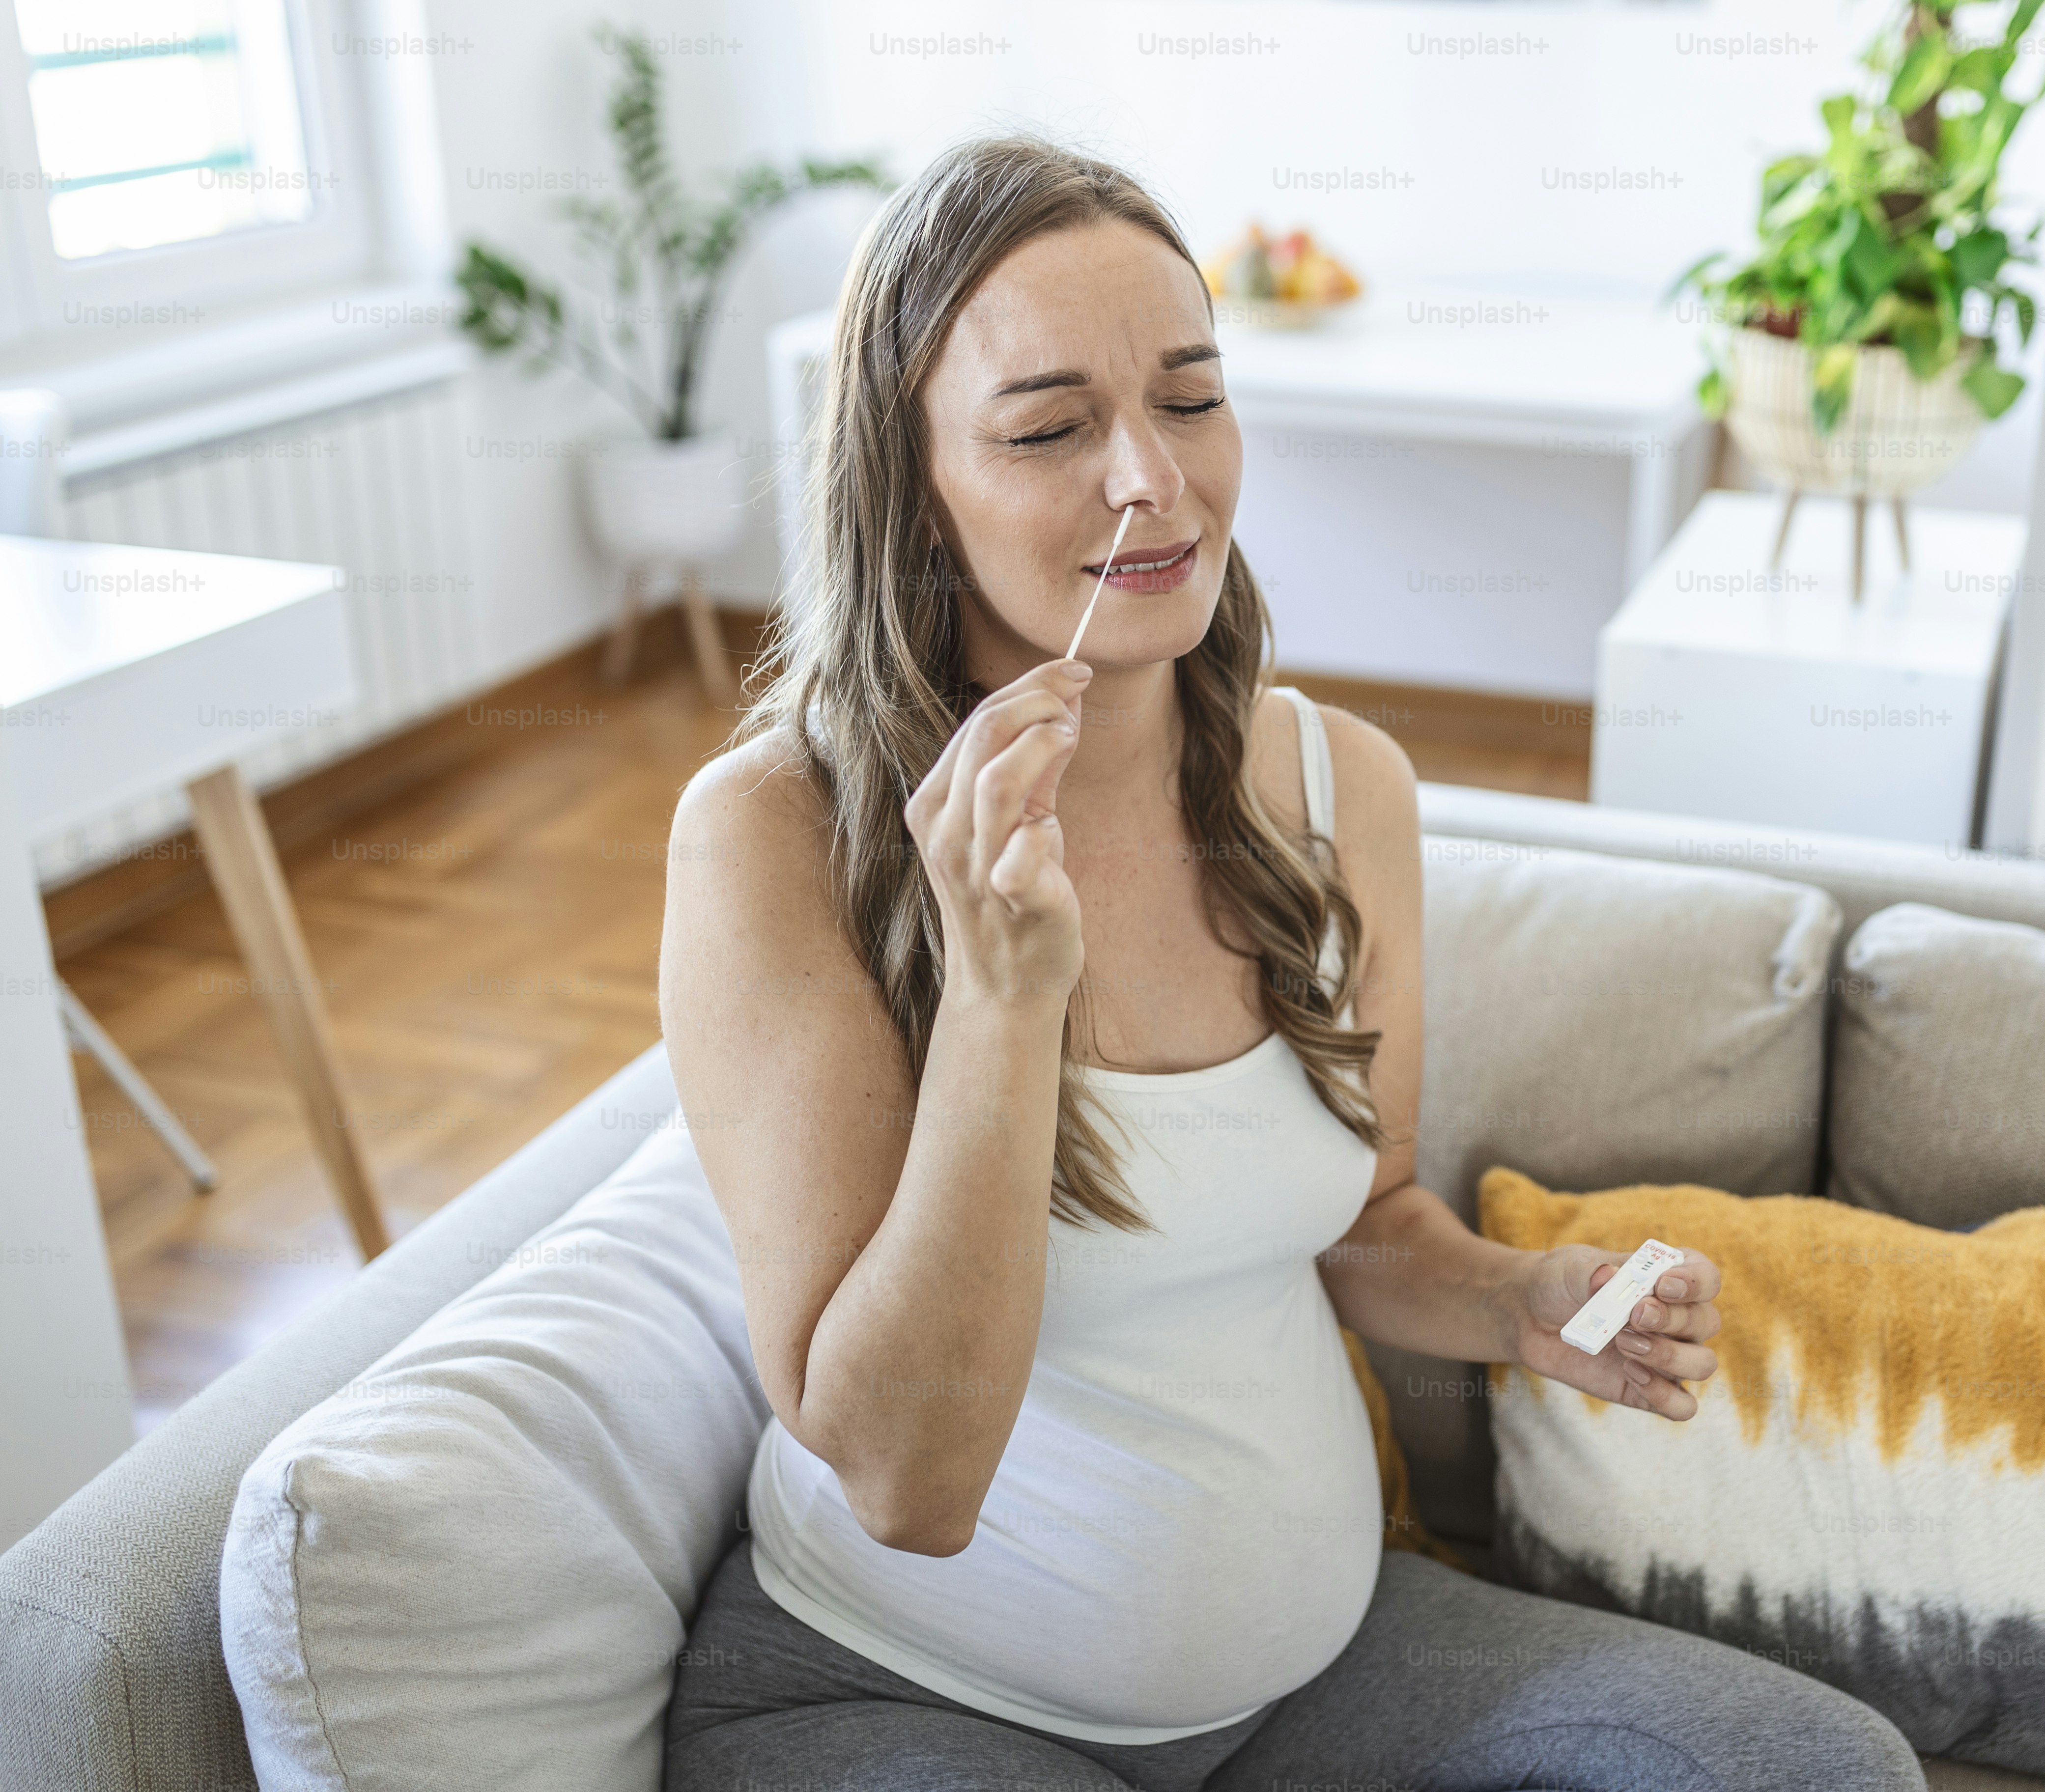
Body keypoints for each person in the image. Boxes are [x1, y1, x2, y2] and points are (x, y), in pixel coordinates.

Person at [655, 132, 1922, 1792]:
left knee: (1826, 1772)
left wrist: (1519, 1304)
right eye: (1050, 428)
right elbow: (909, 1478)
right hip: (901, 1693)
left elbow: (1366, 1223)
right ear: (912, 488)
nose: (1153, 483)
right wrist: (1002, 999)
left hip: (1317, 1673)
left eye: (1190, 397)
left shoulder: (1342, 788)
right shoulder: (774, 836)